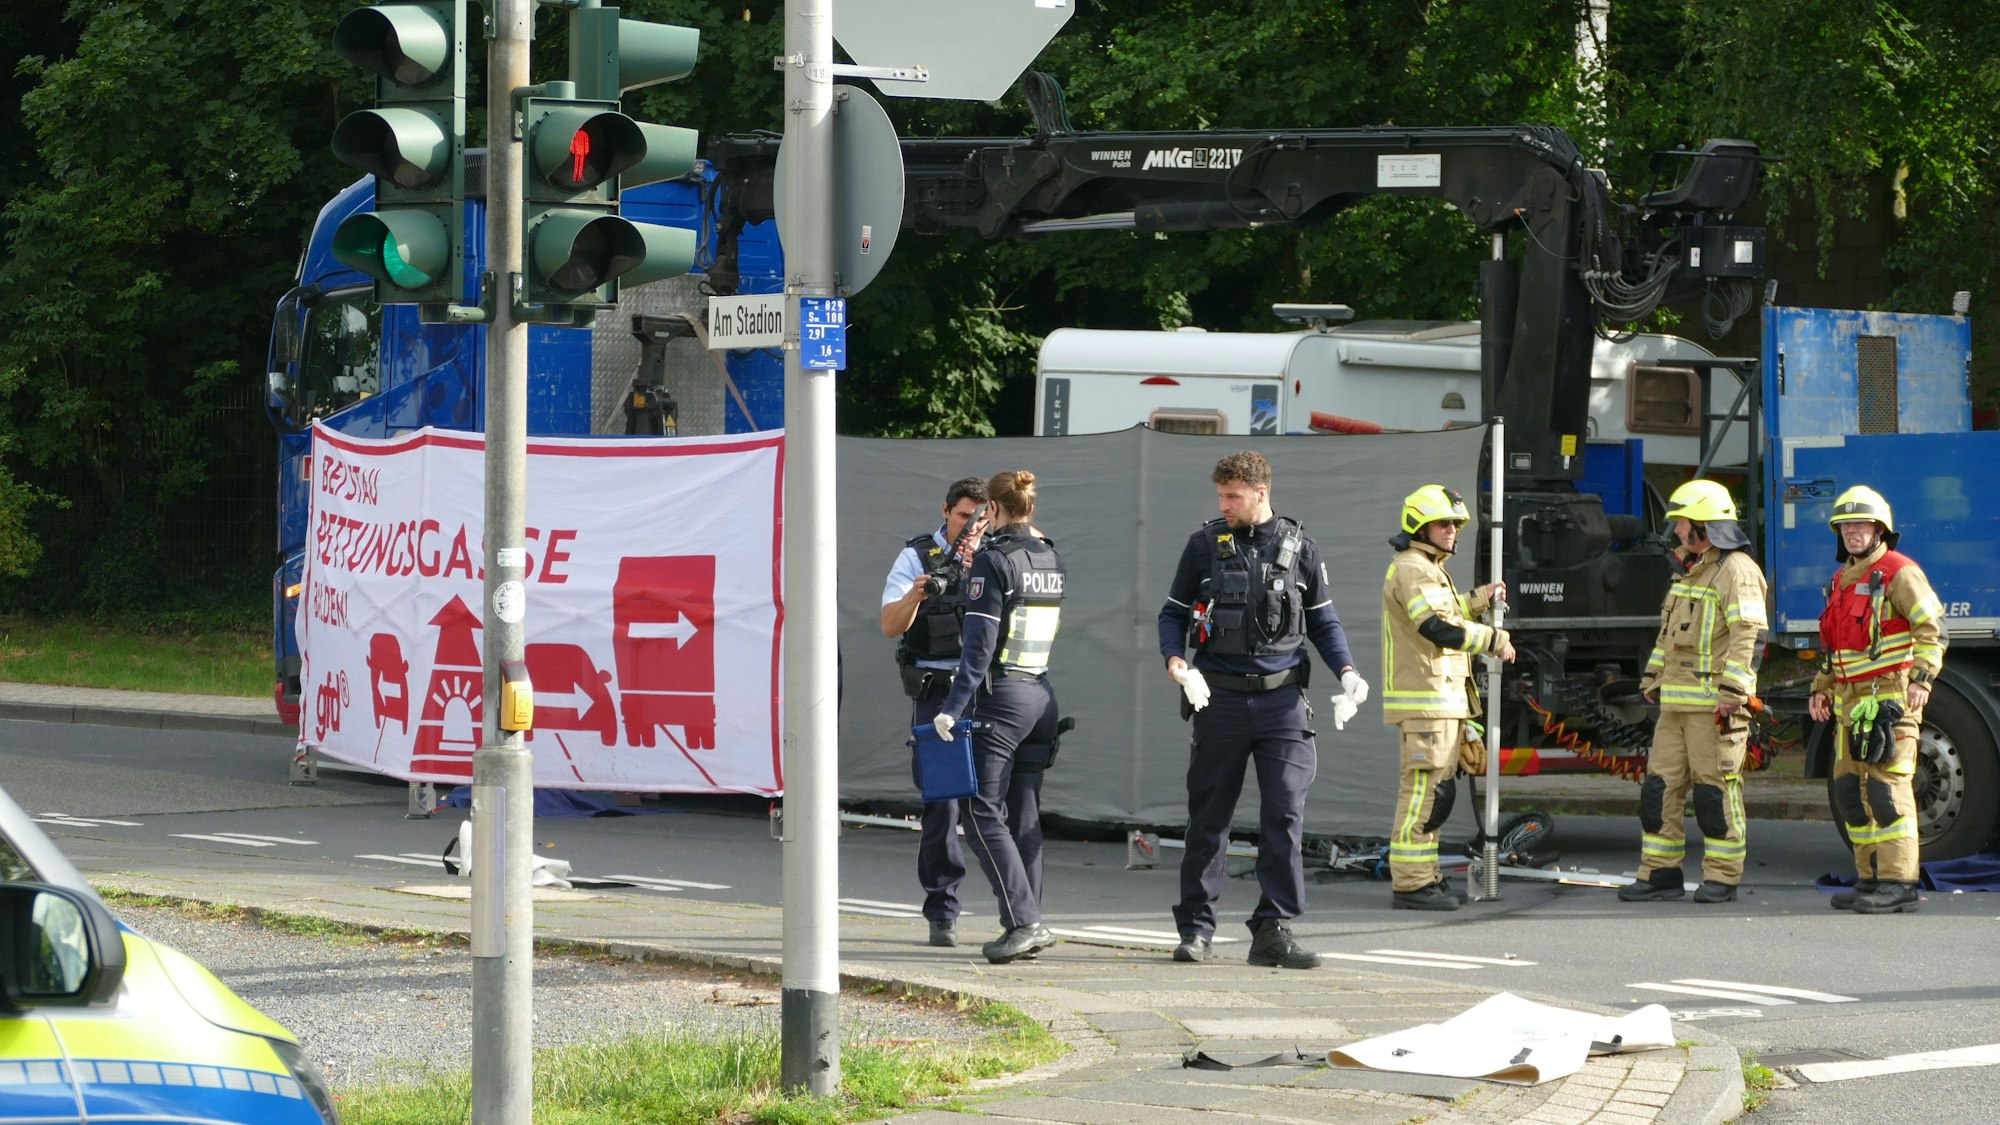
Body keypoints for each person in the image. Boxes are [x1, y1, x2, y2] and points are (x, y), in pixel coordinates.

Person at [1157, 451, 1363, 969]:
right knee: (1209, 816)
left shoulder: (1301, 548)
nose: (1224, 504)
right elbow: (1172, 614)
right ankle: (1196, 930)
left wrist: (1347, 673)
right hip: (1218, 698)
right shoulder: (1204, 546)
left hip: (1283, 701)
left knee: (1285, 813)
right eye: (1221, 495)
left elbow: (1324, 623)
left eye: (1233, 496)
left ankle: (1273, 929)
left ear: (1261, 493)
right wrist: (1177, 661)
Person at [933, 470, 1067, 964]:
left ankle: (1023, 922)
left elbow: (978, 648)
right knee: (1024, 812)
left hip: (1003, 697)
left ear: (991, 508)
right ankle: (1031, 918)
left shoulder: (994, 560)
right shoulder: (1051, 555)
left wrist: (951, 708)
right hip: (1041, 695)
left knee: (980, 808)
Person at [1620, 479, 1769, 904]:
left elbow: (1750, 634)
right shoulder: (1690, 570)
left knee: (1714, 792)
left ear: (1705, 525)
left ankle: (1722, 876)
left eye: (1683, 522)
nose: (1678, 531)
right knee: (1658, 790)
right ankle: (1659, 873)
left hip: (1715, 707)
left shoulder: (1737, 571)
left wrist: (1735, 689)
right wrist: (1652, 679)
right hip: (1677, 704)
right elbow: (1669, 634)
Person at [1808, 486, 1947, 914]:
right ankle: (1869, 878)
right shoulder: (1838, 583)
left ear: (1879, 529)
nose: (1853, 532)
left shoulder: (1899, 572)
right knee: (1851, 793)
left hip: (1890, 700)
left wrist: (1922, 680)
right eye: (1846, 525)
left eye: (1861, 524)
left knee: (1888, 793)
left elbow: (1933, 631)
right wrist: (1821, 686)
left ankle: (1899, 882)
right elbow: (1838, 650)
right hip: (1850, 705)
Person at [1379, 484, 1516, 910]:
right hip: (1426, 704)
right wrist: (1495, 639)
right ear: (1419, 525)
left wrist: (1479, 598)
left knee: (1435, 796)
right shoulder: (1414, 567)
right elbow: (1437, 627)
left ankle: (1426, 877)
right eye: (1444, 523)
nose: (1453, 530)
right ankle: (1412, 884)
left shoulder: (1426, 567)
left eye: (1456, 524)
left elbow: (1448, 609)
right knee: (1422, 795)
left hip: (1439, 702)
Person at [880, 477, 990, 947]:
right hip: (937, 692)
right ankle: (942, 910)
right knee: (941, 806)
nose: (971, 527)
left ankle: (1019, 911)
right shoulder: (916, 557)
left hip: (988, 692)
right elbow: (889, 625)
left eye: (980, 517)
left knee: (997, 804)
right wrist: (918, 594)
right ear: (946, 511)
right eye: (964, 516)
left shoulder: (1000, 554)